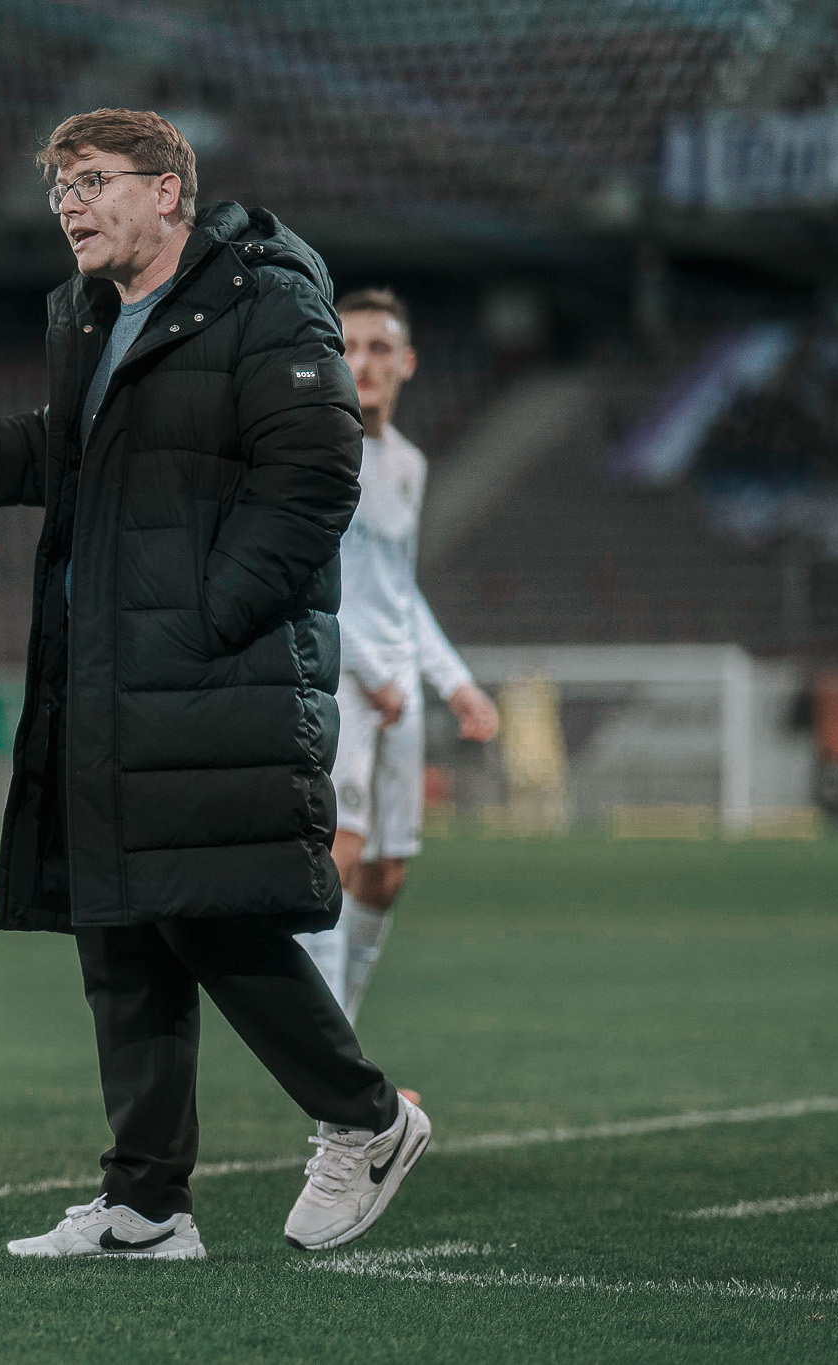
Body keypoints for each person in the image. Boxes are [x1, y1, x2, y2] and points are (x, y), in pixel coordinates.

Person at [0, 108, 427, 1259]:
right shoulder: (89, 316)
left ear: (166, 190)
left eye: (89, 181)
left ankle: (367, 1119)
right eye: (57, 189)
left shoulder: (266, 298)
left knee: (205, 916)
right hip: (103, 670)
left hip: (204, 671)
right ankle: (145, 1201)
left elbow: (317, 474)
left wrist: (207, 617)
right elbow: (59, 447)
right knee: (116, 930)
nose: (67, 205)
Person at [296, 289, 500, 1024]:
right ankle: (333, 1075)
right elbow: (303, 583)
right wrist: (368, 671)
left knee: (385, 873)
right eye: (348, 346)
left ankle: (339, 1037)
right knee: (339, 853)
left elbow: (397, 588)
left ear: (406, 362)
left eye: (379, 348)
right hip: (340, 680)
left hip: (397, 687)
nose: (363, 361)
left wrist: (456, 682)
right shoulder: (316, 456)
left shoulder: (408, 464)